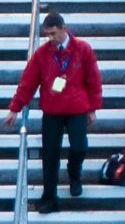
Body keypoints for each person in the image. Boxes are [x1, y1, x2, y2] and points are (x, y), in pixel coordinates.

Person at [5, 11, 102, 213]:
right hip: (52, 110)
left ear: (64, 29)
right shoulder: (42, 53)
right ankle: (50, 196)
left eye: (54, 33)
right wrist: (15, 108)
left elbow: (93, 79)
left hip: (77, 108)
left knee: (79, 147)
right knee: (50, 154)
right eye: (47, 34)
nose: (51, 38)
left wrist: (93, 107)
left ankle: (74, 174)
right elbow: (28, 82)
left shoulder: (82, 49)